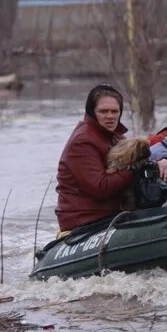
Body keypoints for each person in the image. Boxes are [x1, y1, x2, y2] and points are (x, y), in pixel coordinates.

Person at [55, 84, 134, 234]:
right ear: (92, 112)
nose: (110, 116)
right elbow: (100, 188)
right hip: (84, 220)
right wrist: (132, 171)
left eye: (115, 111)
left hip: (109, 215)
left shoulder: (116, 137)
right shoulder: (83, 142)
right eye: (103, 111)